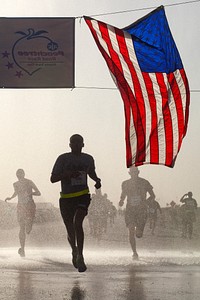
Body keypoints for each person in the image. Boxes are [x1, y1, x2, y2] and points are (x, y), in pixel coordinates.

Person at [50, 134, 101, 272]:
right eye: (73, 143)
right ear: (69, 145)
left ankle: (80, 255)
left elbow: (91, 173)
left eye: (79, 143)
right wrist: (66, 174)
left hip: (82, 196)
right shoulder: (63, 159)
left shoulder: (88, 159)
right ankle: (74, 250)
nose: (76, 145)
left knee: (77, 223)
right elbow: (53, 178)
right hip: (66, 198)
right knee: (70, 229)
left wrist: (97, 180)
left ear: (83, 144)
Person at [119, 166, 155, 259]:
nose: (134, 174)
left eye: (135, 172)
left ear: (138, 172)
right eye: (132, 172)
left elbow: (153, 195)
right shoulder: (125, 183)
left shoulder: (144, 182)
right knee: (131, 230)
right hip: (130, 210)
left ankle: (138, 230)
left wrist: (145, 202)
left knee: (138, 235)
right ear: (129, 173)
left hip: (141, 211)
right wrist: (121, 201)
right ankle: (134, 252)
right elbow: (123, 194)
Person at [5, 169, 41, 257]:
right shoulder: (15, 184)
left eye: (20, 174)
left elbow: (38, 193)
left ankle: (29, 226)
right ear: (16, 175)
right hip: (21, 206)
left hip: (30, 205)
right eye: (18, 174)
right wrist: (10, 198)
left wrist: (30, 194)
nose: (19, 176)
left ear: (24, 174)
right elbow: (16, 193)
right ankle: (23, 249)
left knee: (27, 229)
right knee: (21, 227)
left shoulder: (29, 182)